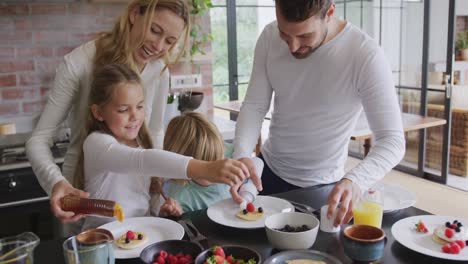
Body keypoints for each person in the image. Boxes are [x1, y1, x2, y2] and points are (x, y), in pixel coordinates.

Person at [26, 0, 254, 225]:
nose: (158, 47)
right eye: (155, 31)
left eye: (169, 41)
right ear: (135, 14)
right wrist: (56, 183)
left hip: (138, 205)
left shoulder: (159, 71)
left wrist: (158, 195)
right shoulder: (79, 63)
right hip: (83, 201)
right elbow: (38, 140)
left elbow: (153, 135)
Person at [233, 0, 405, 227]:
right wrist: (242, 157)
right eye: (285, 34)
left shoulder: (364, 54)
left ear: (330, 12)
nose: (293, 47)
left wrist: (355, 180)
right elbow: (254, 106)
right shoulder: (268, 36)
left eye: (304, 36)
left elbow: (392, 140)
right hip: (267, 176)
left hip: (325, 189)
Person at [79, 64, 248, 229]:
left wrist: (163, 210)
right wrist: (206, 168)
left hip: (140, 236)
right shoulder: (96, 143)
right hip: (101, 240)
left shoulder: (143, 143)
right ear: (98, 113)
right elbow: (141, 160)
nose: (135, 116)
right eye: (123, 110)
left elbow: (144, 200)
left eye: (139, 106)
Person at [158, 112, 264, 217]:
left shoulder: (229, 153)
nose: (218, 170)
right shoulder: (180, 196)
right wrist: (175, 214)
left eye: (219, 162)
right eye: (208, 167)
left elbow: (256, 162)